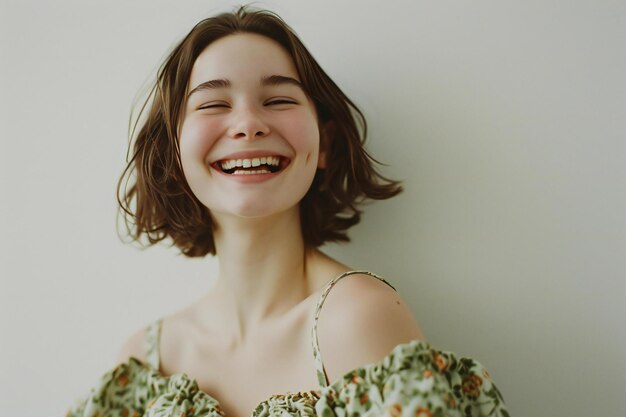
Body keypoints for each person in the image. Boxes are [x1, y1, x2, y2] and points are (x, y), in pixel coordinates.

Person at [67, 7, 508, 417]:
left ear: (325, 146)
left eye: (278, 100)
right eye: (213, 104)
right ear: (173, 154)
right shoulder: (144, 362)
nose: (248, 123)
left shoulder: (358, 319)